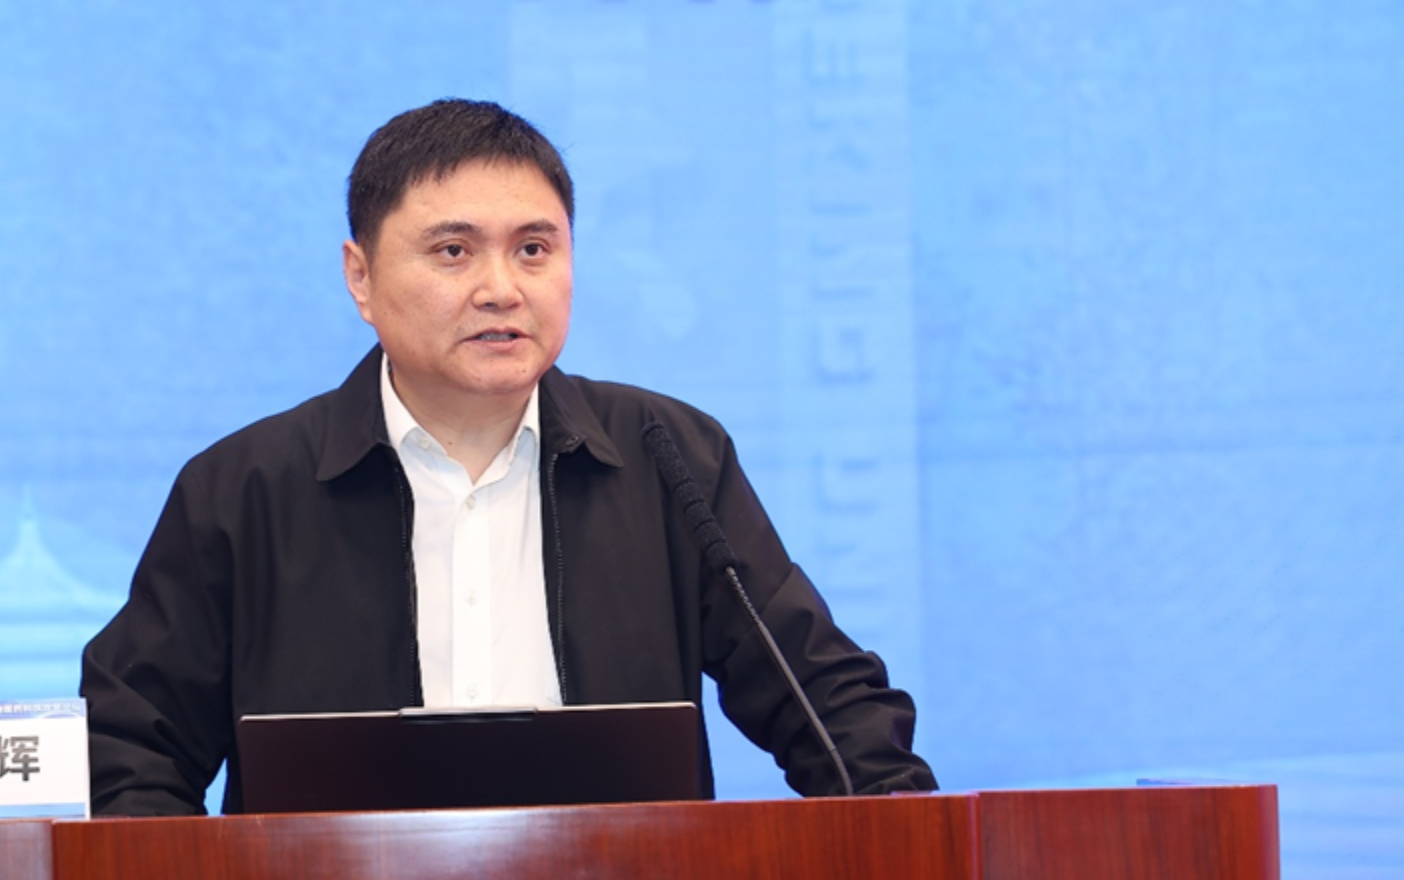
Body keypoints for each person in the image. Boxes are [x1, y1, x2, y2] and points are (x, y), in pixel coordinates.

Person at [81, 98, 936, 816]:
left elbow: (828, 706)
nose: (501, 288)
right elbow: (130, 750)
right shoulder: (243, 490)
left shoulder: (669, 457)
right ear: (361, 277)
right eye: (453, 251)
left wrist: (907, 838)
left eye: (534, 248)